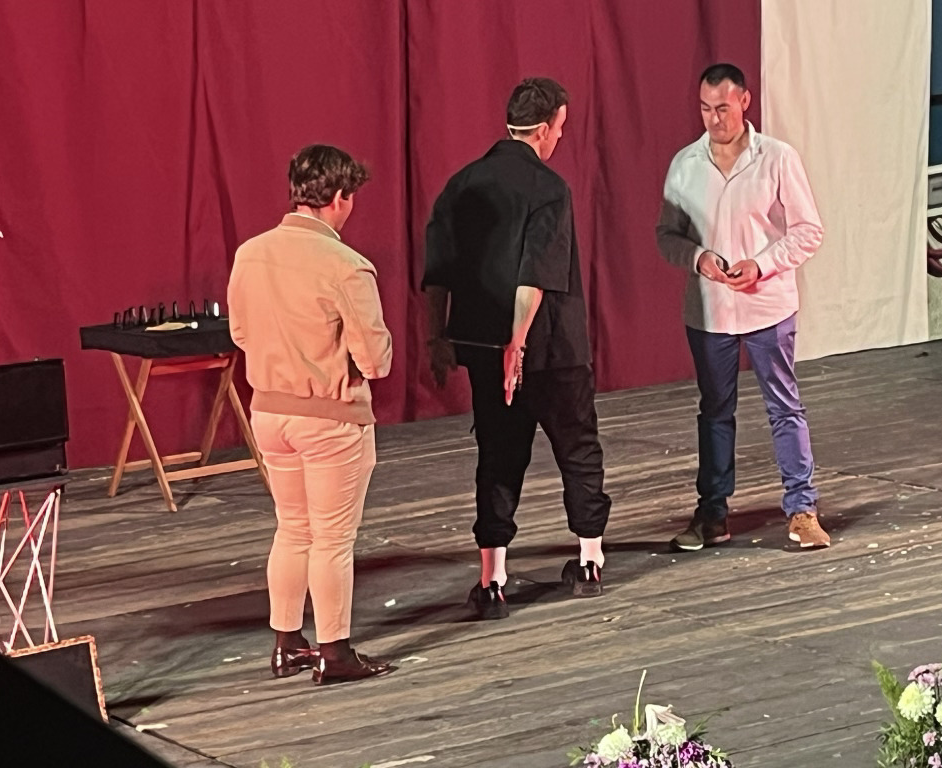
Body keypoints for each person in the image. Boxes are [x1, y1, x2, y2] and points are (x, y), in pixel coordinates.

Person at [423, 77, 612, 620]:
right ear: (545, 128)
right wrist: (517, 345)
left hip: (482, 344)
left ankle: (492, 579)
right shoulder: (550, 188)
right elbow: (535, 275)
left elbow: (437, 274)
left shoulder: (461, 185)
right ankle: (590, 561)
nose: (561, 137)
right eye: (561, 128)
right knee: (577, 448)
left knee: (498, 457)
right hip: (550, 347)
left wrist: (436, 338)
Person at [228, 144, 395, 684]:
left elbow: (239, 334)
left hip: (269, 412)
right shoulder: (346, 265)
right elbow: (376, 361)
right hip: (330, 416)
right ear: (340, 197)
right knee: (332, 540)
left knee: (292, 529)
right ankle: (335, 653)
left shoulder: (250, 253)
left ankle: (287, 644)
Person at [656, 63, 830, 552]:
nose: (715, 120)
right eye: (706, 110)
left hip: (768, 306)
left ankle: (802, 510)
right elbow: (666, 235)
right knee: (714, 410)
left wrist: (761, 264)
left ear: (745, 102)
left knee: (784, 406)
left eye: (723, 109)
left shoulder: (777, 157)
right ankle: (712, 514)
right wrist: (698, 258)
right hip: (710, 312)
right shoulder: (685, 165)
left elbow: (808, 230)